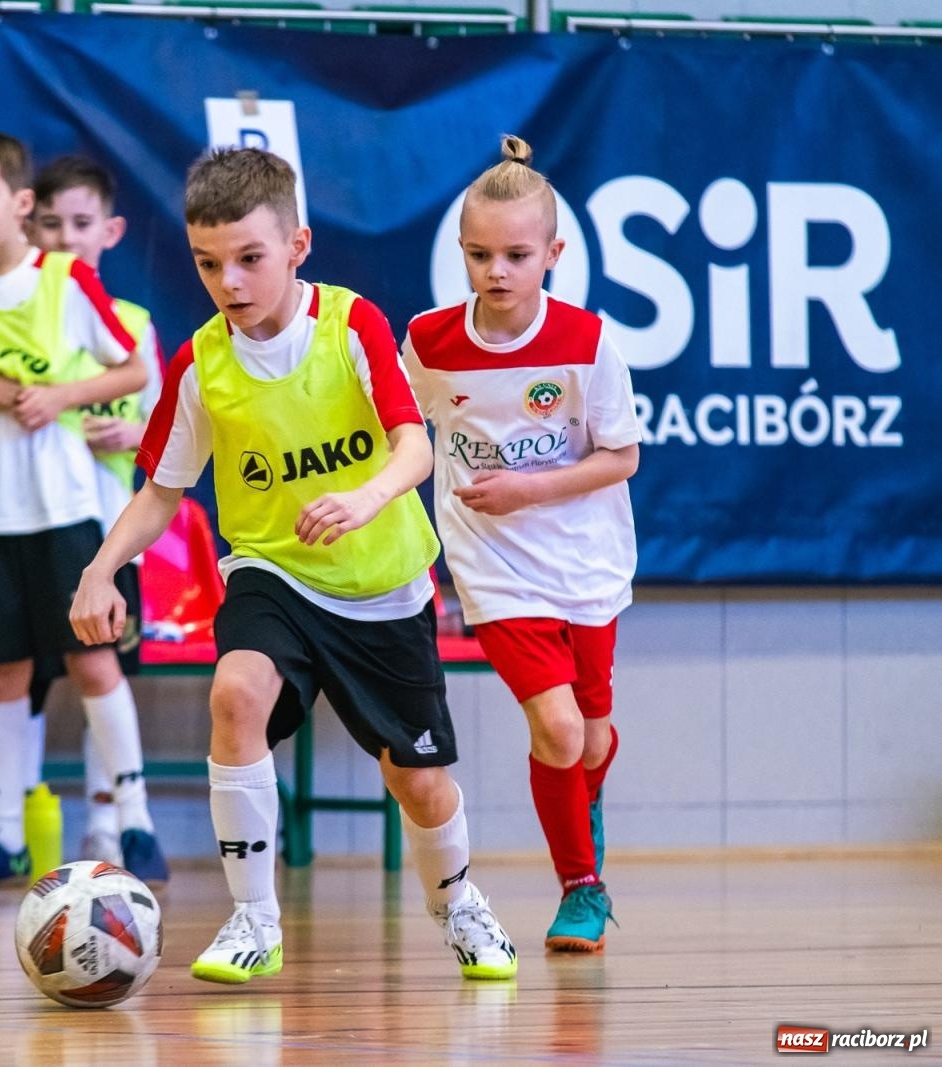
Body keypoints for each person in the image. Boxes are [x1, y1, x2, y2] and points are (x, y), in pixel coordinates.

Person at [71, 147, 518, 984]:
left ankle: (459, 903)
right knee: (236, 690)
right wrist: (100, 569)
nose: (229, 281)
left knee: (418, 784)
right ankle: (253, 917)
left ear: (297, 245)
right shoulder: (201, 364)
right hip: (271, 574)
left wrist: (366, 498)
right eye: (209, 263)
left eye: (249, 259)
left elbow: (415, 446)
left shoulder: (352, 326)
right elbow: (161, 492)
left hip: (383, 588)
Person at [401, 135, 639, 954]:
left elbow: (623, 456)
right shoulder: (429, 342)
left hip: (587, 562)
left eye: (515, 254)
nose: (495, 270)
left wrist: (527, 488)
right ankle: (582, 886)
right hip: (493, 567)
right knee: (560, 729)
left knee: (592, 737)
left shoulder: (588, 340)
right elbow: (409, 433)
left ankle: (584, 805)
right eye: (478, 254)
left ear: (553, 254)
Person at [0, 131, 166, 886]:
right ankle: (2, 835)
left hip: (67, 512)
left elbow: (134, 364)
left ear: (21, 204)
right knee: (3, 675)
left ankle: (136, 820)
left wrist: (59, 394)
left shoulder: (63, 280)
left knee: (93, 661)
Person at [25, 154, 166, 874]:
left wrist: (133, 434)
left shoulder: (133, 326)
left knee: (99, 669)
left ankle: (110, 825)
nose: (65, 237)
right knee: (32, 674)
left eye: (81, 223)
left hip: (111, 537)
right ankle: (15, 824)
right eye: (51, 223)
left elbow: (172, 439)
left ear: (110, 230)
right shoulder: (25, 323)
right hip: (37, 526)